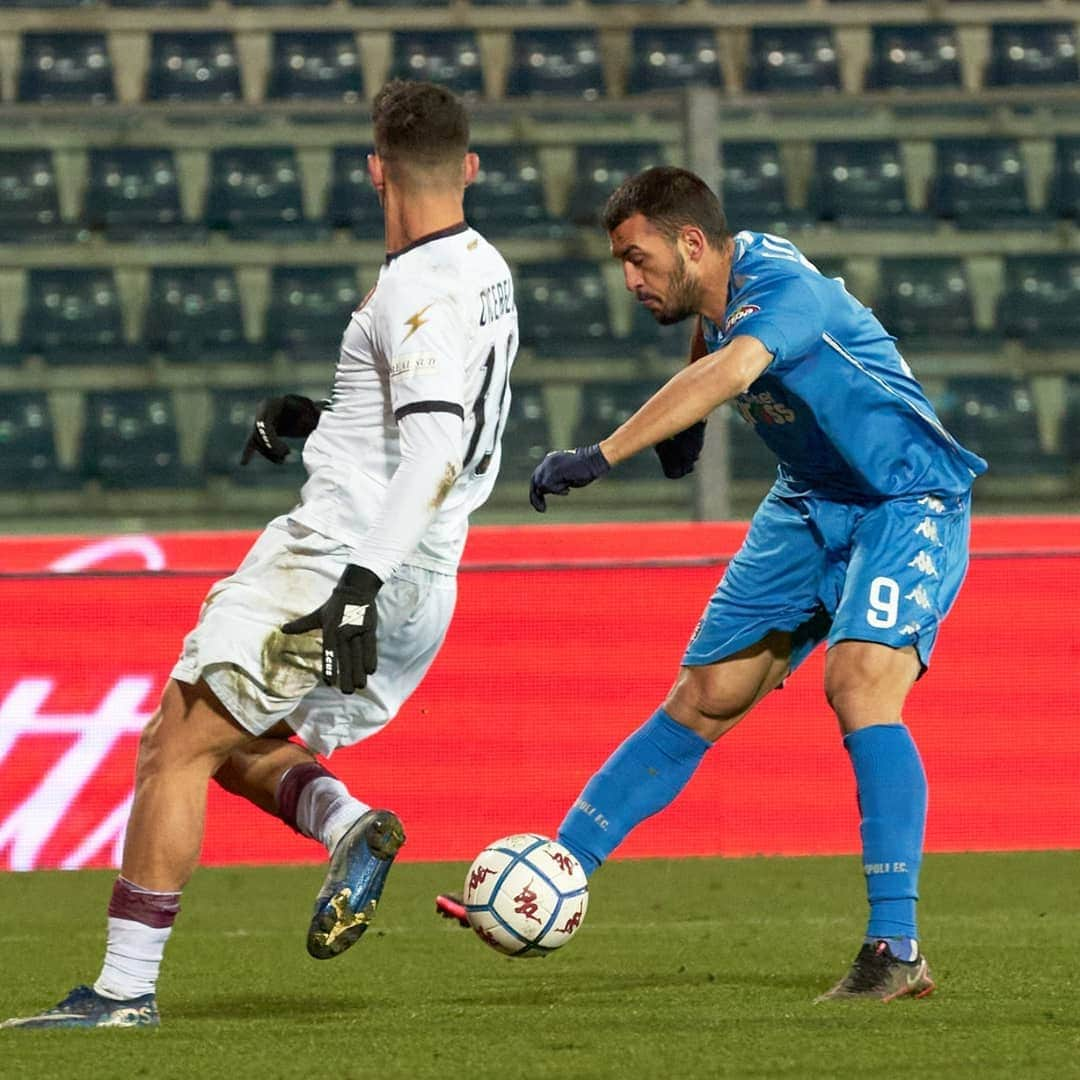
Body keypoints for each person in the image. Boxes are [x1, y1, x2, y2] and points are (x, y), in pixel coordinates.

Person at [4, 79, 518, 1029]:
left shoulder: (411, 286)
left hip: (339, 561)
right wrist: (322, 424)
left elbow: (438, 445)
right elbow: (427, 421)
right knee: (223, 742)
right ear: (471, 168)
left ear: (375, 171)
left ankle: (122, 993)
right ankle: (346, 824)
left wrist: (355, 586)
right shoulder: (486, 268)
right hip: (427, 574)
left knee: (171, 747)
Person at [442, 165, 985, 1002]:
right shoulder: (730, 284)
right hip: (809, 497)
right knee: (705, 695)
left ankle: (896, 947)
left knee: (860, 684)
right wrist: (687, 434)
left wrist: (603, 454)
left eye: (638, 258)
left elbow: (733, 368)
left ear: (691, 243)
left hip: (905, 496)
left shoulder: (787, 289)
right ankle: (554, 874)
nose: (628, 279)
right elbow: (718, 340)